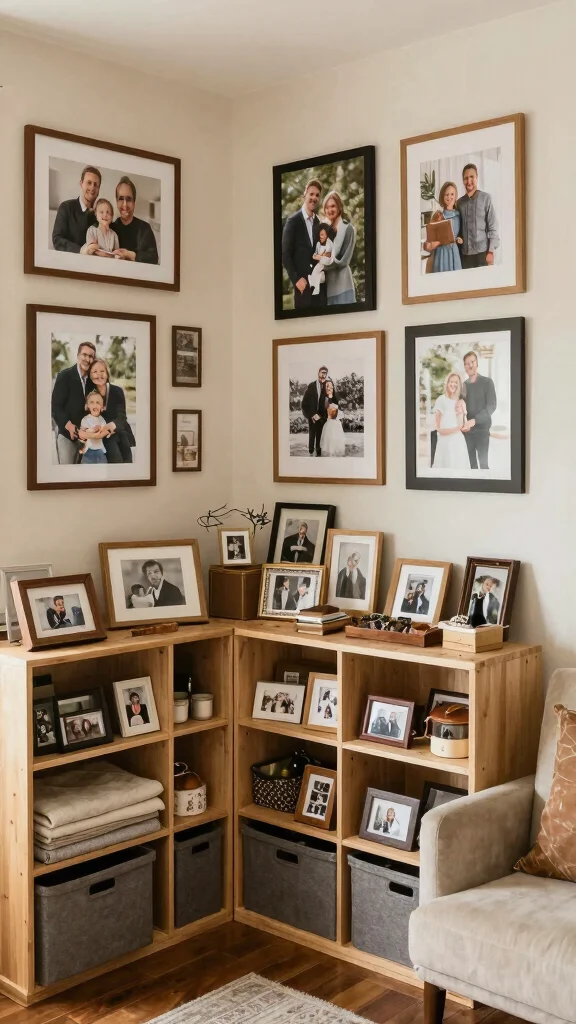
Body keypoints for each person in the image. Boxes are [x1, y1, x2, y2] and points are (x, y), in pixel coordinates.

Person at [51, 341, 96, 464]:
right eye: (84, 355)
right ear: (78, 356)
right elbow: (55, 407)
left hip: (87, 438)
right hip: (67, 436)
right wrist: (70, 427)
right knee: (66, 477)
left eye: (91, 356)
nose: (87, 359)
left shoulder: (93, 381)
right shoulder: (64, 376)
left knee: (82, 478)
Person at [281, 178, 323, 309]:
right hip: (302, 288)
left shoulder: (318, 222)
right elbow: (285, 254)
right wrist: (296, 279)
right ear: (304, 194)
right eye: (311, 194)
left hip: (319, 287)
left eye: (317, 195)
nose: (314, 198)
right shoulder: (293, 221)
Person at [87, 359, 136, 463]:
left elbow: (122, 416)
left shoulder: (117, 391)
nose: (99, 375)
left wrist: (111, 426)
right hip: (104, 437)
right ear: (90, 375)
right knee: (115, 462)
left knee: (127, 464)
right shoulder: (90, 394)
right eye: (95, 372)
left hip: (120, 431)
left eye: (102, 371)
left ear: (107, 373)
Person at [457, 163, 500, 269]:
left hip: (483, 254)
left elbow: (492, 227)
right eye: (466, 178)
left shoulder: (486, 199)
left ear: (477, 178)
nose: (469, 181)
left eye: (472, 177)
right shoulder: (459, 203)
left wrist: (491, 251)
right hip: (464, 256)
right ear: (463, 181)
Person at [461, 351, 497, 470]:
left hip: (482, 431)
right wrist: (462, 424)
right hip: (467, 433)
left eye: (472, 362)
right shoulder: (463, 386)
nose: (470, 365)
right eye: (467, 363)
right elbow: (461, 409)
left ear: (477, 363)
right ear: (464, 367)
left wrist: (475, 421)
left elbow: (491, 406)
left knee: (484, 465)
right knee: (471, 466)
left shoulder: (487, 382)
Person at [52, 165, 100, 252]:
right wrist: (81, 250)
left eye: (96, 185)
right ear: (81, 183)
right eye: (89, 183)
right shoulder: (66, 207)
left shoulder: (100, 216)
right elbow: (57, 239)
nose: (92, 187)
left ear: (99, 189)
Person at [111, 176, 159, 264]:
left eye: (129, 199)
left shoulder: (145, 228)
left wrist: (130, 255)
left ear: (134, 203)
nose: (125, 205)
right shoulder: (110, 228)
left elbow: (154, 258)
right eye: (121, 199)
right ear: (117, 202)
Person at [322, 190, 356, 305]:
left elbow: (343, 261)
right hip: (328, 288)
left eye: (332, 206)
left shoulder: (348, 229)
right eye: (326, 207)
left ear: (339, 207)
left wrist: (322, 265)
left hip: (344, 287)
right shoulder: (323, 231)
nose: (329, 210)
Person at [432, 372, 470, 471]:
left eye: (456, 382)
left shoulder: (460, 402)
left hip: (458, 442)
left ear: (459, 385)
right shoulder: (441, 400)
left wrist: (463, 409)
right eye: (451, 382)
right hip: (444, 443)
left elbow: (463, 425)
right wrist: (456, 429)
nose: (453, 384)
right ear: (447, 383)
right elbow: (438, 428)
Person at [423, 181, 463, 273]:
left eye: (452, 194)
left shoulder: (458, 215)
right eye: (446, 195)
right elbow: (430, 237)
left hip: (453, 252)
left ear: (456, 196)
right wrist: (428, 245)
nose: (449, 197)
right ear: (442, 197)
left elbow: (455, 234)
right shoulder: (437, 215)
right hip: (441, 253)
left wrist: (458, 239)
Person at [301, 366, 335, 457]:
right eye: (322, 372)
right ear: (318, 373)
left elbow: (330, 402)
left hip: (322, 416)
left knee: (320, 434)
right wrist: (311, 414)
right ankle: (311, 451)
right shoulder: (311, 386)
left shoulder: (328, 386)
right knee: (312, 433)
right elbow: (304, 403)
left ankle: (318, 450)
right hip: (312, 415)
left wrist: (330, 395)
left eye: (325, 373)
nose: (323, 375)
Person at [79, 391, 108, 465]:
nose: (95, 405)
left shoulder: (102, 420)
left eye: (98, 403)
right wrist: (92, 430)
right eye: (92, 402)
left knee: (102, 472)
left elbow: (105, 430)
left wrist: (100, 428)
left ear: (102, 407)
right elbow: (84, 432)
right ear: (87, 406)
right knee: (87, 473)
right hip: (88, 451)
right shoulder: (85, 419)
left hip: (100, 450)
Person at [320, 380, 346, 457]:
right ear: (324, 388)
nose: (329, 388)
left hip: (336, 423)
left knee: (336, 441)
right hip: (330, 423)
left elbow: (337, 410)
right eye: (327, 386)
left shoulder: (336, 398)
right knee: (330, 441)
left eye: (331, 386)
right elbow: (328, 410)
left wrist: (339, 413)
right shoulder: (324, 399)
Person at [308, 223, 333, 295]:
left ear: (327, 235)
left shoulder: (329, 243)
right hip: (320, 262)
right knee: (315, 272)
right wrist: (318, 256)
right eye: (319, 235)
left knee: (317, 271)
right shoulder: (318, 244)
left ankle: (316, 285)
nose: (320, 236)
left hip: (326, 262)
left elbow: (328, 256)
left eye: (322, 234)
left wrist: (319, 256)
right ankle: (315, 286)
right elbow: (315, 255)